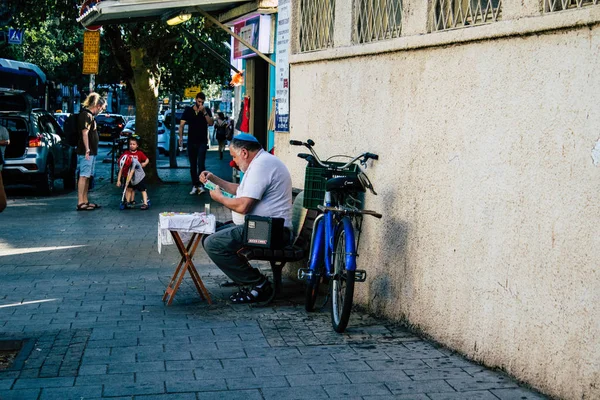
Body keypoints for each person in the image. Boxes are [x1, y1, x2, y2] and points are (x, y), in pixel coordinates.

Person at [199, 133, 293, 304]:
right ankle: (244, 277)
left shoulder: (262, 165)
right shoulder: (260, 162)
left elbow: (243, 206)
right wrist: (214, 179)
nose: (233, 161)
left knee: (213, 243)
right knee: (208, 233)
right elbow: (239, 190)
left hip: (271, 230)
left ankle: (257, 284)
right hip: (264, 227)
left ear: (244, 152)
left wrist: (219, 198)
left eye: (234, 156)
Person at [179, 92, 213, 195]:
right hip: (191, 141)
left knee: (201, 164)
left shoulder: (206, 110)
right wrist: (180, 137)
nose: (200, 103)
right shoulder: (188, 110)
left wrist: (204, 112)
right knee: (193, 165)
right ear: (195, 100)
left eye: (202, 102)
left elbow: (211, 123)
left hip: (202, 141)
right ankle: (195, 185)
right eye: (199, 101)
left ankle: (201, 185)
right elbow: (181, 124)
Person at [76, 92, 106, 211]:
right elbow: (85, 133)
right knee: (83, 176)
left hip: (91, 151)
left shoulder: (90, 116)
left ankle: (85, 200)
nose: (101, 111)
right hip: (86, 152)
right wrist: (87, 149)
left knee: (88, 176)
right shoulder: (86, 116)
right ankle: (80, 202)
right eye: (102, 108)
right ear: (98, 105)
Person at [116, 135, 150, 209]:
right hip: (129, 175)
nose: (132, 146)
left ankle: (145, 203)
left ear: (137, 145)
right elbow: (121, 169)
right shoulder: (126, 154)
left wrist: (144, 163)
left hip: (138, 176)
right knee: (129, 188)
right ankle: (127, 202)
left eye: (134, 144)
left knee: (142, 189)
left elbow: (132, 171)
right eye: (130, 144)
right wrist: (119, 180)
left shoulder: (136, 158)